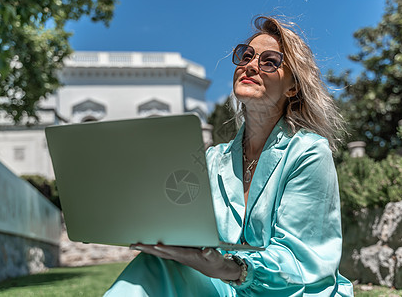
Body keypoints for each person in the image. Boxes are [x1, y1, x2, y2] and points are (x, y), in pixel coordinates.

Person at [104, 16, 353, 296]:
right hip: (229, 289)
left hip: (292, 292)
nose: (249, 65)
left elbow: (301, 262)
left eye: (269, 60)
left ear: (293, 87)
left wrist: (228, 267)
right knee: (156, 264)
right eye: (246, 56)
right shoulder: (213, 160)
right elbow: (191, 229)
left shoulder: (308, 151)